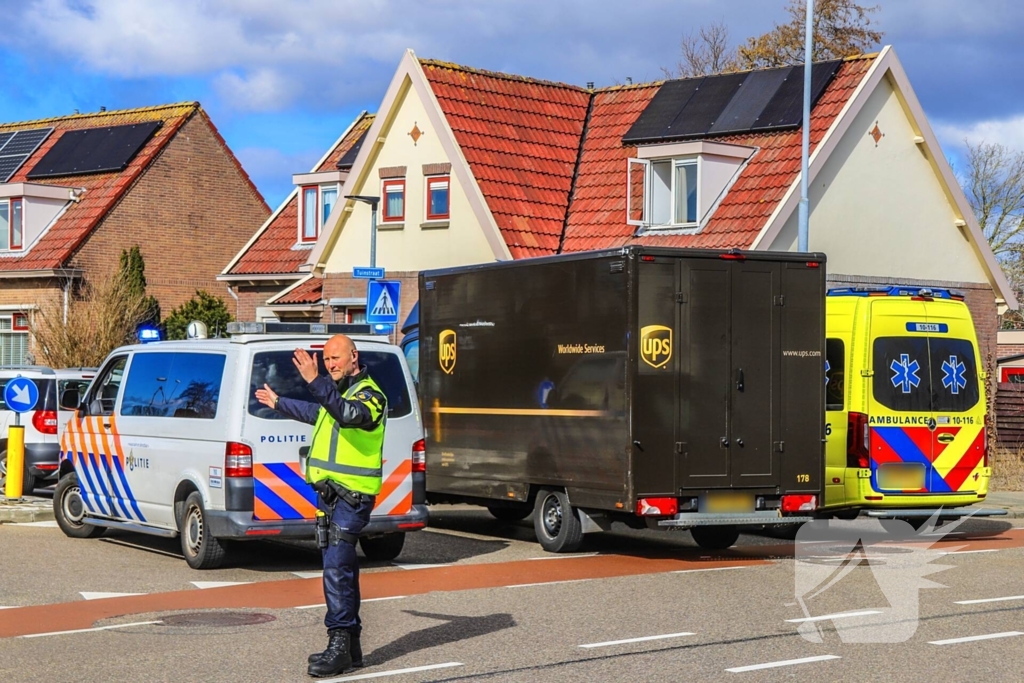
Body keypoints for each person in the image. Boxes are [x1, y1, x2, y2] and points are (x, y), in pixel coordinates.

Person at [255, 334, 386, 678]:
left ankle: (339, 643)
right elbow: (317, 412)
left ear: (354, 356)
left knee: (337, 567)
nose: (330, 365)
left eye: (335, 358)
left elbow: (347, 414)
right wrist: (279, 402)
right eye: (326, 360)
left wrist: (315, 381)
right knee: (341, 567)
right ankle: (351, 647)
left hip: (352, 497)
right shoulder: (336, 395)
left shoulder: (371, 395)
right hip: (329, 496)